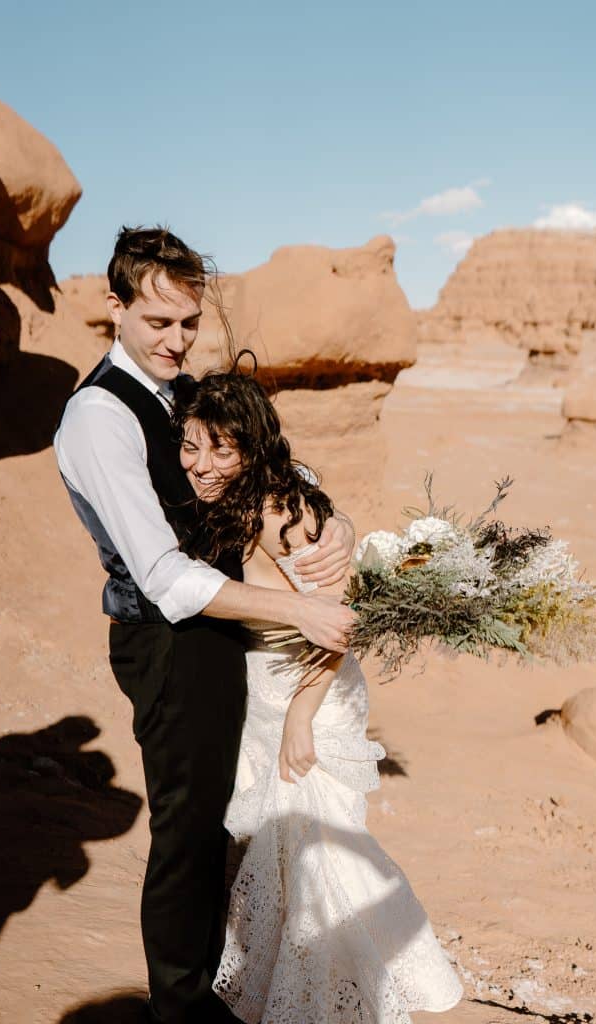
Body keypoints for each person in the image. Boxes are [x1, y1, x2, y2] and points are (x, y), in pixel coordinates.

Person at [54, 226, 356, 1024]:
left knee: (232, 817)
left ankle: (225, 990)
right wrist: (301, 608)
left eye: (188, 323)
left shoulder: (182, 392)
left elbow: (268, 463)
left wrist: (337, 525)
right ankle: (181, 1008)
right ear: (112, 307)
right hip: (168, 642)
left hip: (226, 628)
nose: (177, 341)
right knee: (188, 833)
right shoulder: (98, 418)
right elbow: (161, 576)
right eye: (158, 323)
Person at [175, 368, 465, 1024]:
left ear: (251, 446)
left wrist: (301, 718)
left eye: (221, 448)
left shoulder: (283, 509)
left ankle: (337, 995)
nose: (201, 463)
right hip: (264, 690)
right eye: (191, 445)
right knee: (278, 853)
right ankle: (288, 987)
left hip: (308, 689)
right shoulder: (225, 501)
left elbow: (336, 621)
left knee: (314, 848)